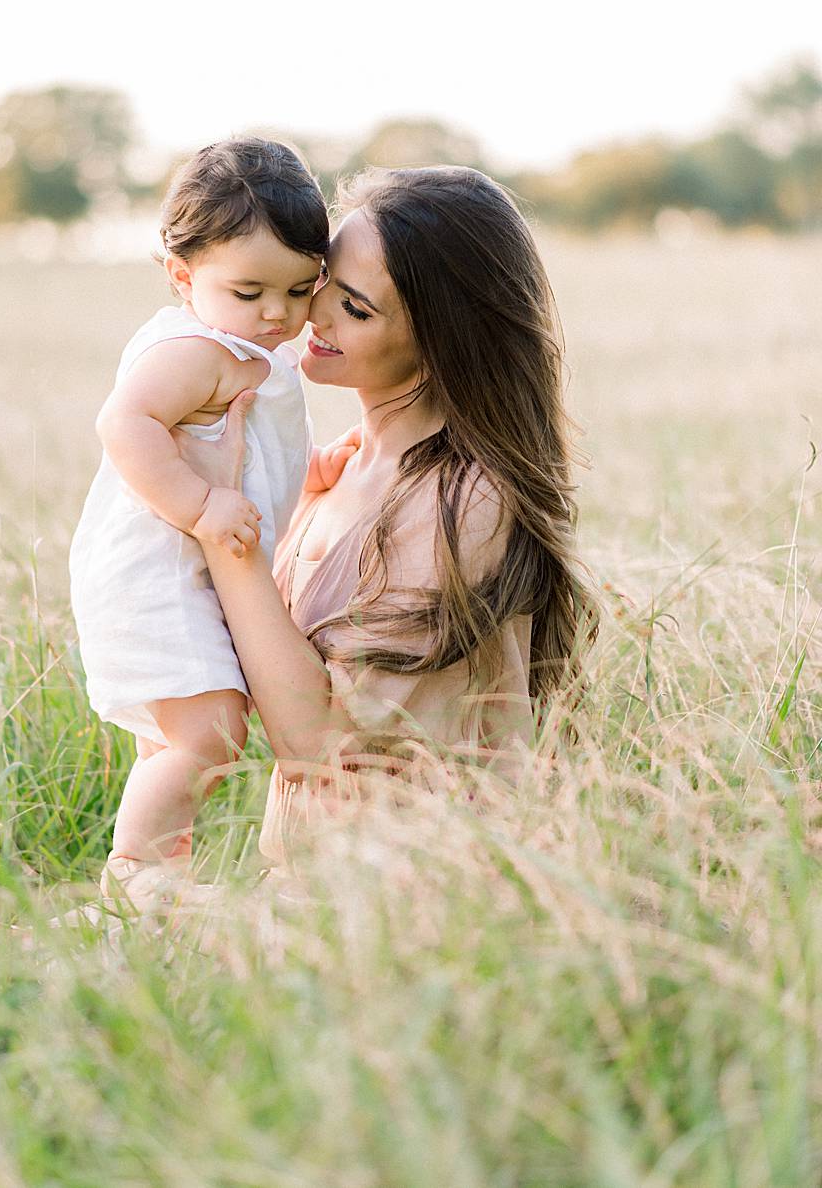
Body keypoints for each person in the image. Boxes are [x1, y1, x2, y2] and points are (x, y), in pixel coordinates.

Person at [177, 165, 593, 868]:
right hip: (318, 889)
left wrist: (227, 534)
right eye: (322, 286)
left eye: (357, 308)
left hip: (421, 899)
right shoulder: (343, 467)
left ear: (439, 343)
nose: (313, 316)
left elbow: (320, 744)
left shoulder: (464, 501)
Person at [68, 138, 332, 906]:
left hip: (188, 573)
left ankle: (161, 878)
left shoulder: (258, 350)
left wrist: (312, 469)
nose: (278, 312)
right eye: (250, 290)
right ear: (183, 276)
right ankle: (132, 872)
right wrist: (200, 503)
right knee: (210, 731)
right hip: (151, 572)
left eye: (298, 287)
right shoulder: (197, 348)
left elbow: (248, 450)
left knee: (179, 736)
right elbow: (125, 423)